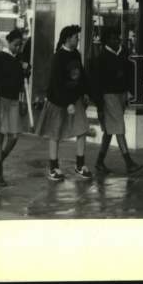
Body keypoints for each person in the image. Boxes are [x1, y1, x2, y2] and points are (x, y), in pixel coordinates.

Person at [34, 24, 92, 181]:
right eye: (76, 37)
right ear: (67, 39)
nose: (78, 40)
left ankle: (80, 165)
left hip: (75, 98)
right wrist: (68, 103)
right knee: (55, 133)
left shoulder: (76, 54)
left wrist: (85, 92)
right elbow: (56, 83)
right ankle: (53, 168)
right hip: (58, 101)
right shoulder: (58, 57)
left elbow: (81, 76)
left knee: (82, 130)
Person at [88, 26, 143, 176]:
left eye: (117, 37)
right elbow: (96, 84)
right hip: (109, 96)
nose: (116, 40)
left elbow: (129, 74)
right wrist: (100, 105)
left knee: (109, 130)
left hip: (121, 95)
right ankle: (128, 162)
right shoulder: (101, 59)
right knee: (119, 127)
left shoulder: (123, 53)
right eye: (113, 38)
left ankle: (99, 162)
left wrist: (130, 92)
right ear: (107, 40)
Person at [0, 28, 30, 187]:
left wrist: (26, 70)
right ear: (9, 42)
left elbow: (21, 83)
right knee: (0, 136)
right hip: (1, 101)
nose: (18, 48)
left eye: (20, 46)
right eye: (16, 45)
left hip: (14, 101)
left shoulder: (18, 60)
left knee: (14, 136)